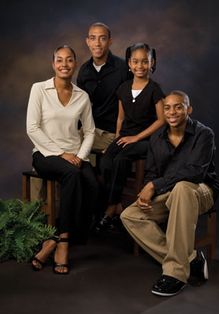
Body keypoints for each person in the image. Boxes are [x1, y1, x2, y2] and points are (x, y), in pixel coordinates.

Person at [121, 90, 219, 296]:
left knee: (182, 187)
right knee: (130, 215)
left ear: (189, 109)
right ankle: (190, 259)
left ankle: (176, 273)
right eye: (167, 107)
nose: (172, 112)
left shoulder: (204, 134)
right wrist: (148, 189)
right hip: (168, 191)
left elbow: (195, 172)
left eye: (178, 106)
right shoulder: (157, 137)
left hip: (201, 190)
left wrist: (154, 186)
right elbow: (151, 173)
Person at [26, 45, 98, 274]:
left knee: (95, 186)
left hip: (75, 156)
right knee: (73, 174)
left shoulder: (82, 96)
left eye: (69, 60)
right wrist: (61, 154)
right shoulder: (39, 89)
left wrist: (79, 156)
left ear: (75, 64)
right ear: (53, 64)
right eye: (59, 60)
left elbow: (90, 132)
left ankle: (53, 239)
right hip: (45, 154)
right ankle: (63, 243)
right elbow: (32, 128)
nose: (64, 64)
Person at [95, 43, 165, 232]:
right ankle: (116, 204)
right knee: (106, 162)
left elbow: (161, 120)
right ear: (129, 64)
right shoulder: (123, 88)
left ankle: (109, 210)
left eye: (145, 61)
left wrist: (136, 138)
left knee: (122, 159)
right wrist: (116, 141)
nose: (140, 66)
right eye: (135, 61)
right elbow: (120, 118)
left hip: (147, 140)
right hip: (125, 137)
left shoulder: (154, 89)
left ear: (152, 63)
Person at [77, 22, 130, 153]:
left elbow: (132, 107)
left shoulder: (123, 68)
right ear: (87, 41)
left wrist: (120, 138)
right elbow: (80, 106)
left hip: (111, 133)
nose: (97, 43)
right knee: (55, 145)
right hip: (89, 131)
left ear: (110, 41)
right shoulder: (84, 71)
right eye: (93, 38)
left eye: (103, 38)